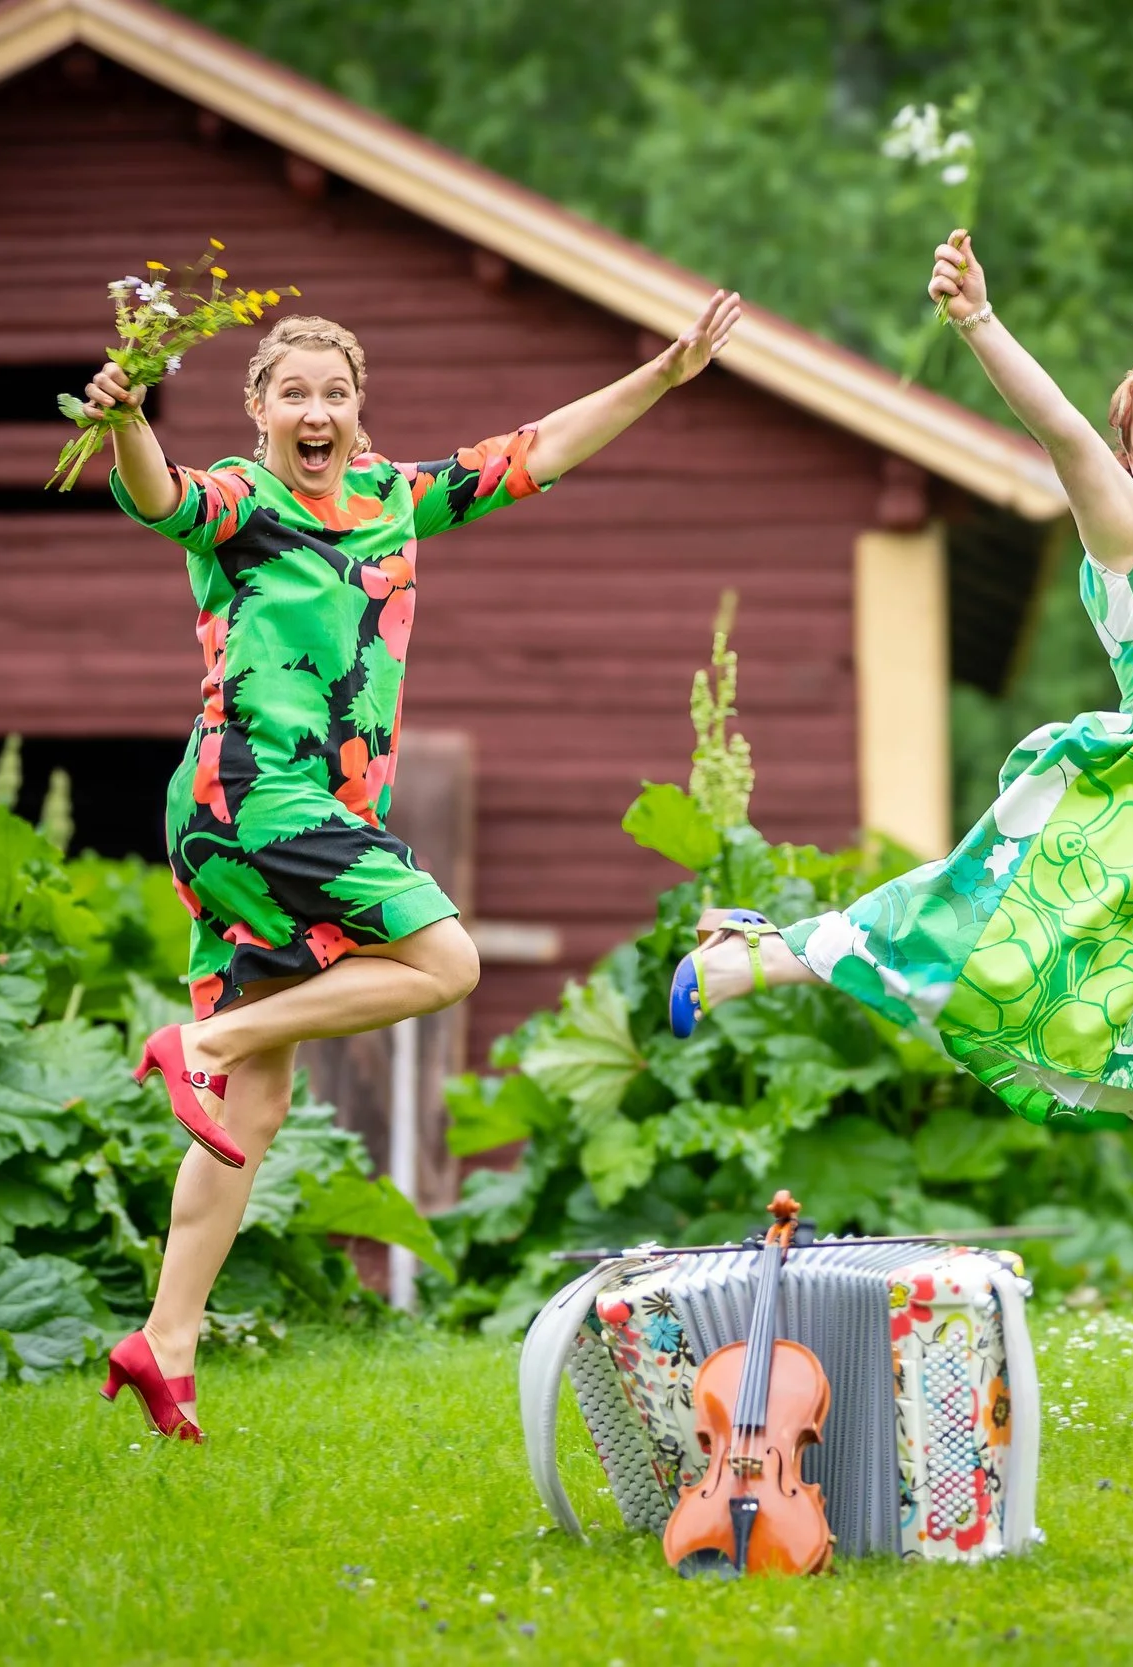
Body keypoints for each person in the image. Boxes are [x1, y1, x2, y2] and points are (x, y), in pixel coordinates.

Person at [673, 215, 1133, 1431]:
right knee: (984, 927)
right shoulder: (1130, 529)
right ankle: (763, 951)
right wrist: (976, 321)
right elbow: (1060, 429)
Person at [90, 291, 744, 1442]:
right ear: (256, 411)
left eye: (334, 393)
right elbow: (157, 495)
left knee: (259, 1102)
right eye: (292, 392)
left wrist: (662, 375)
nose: (316, 410)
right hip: (250, 798)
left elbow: (537, 450)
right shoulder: (240, 505)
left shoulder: (395, 500)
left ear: (358, 411)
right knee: (446, 959)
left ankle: (167, 1340)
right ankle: (200, 1042)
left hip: (285, 814)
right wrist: (128, 415)